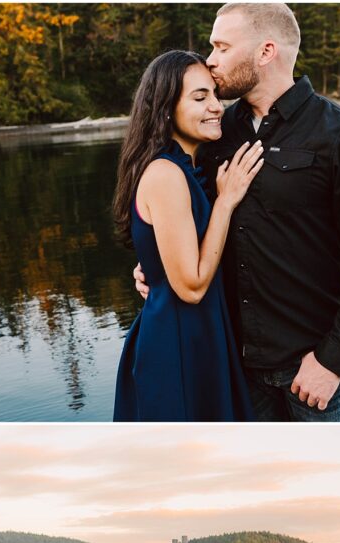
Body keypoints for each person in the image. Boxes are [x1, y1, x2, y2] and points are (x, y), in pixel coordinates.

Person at [135, 3, 340, 422]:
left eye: (222, 46)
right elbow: (188, 218)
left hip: (311, 375)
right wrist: (154, 263)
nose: (211, 59)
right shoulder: (214, 135)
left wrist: (334, 360)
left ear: (265, 51)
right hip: (234, 370)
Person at [112, 50, 264, 421]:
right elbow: (191, 287)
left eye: (215, 94)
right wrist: (226, 202)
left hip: (202, 336)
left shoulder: (192, 168)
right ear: (166, 110)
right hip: (177, 346)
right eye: (200, 98)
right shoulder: (165, 175)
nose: (216, 107)